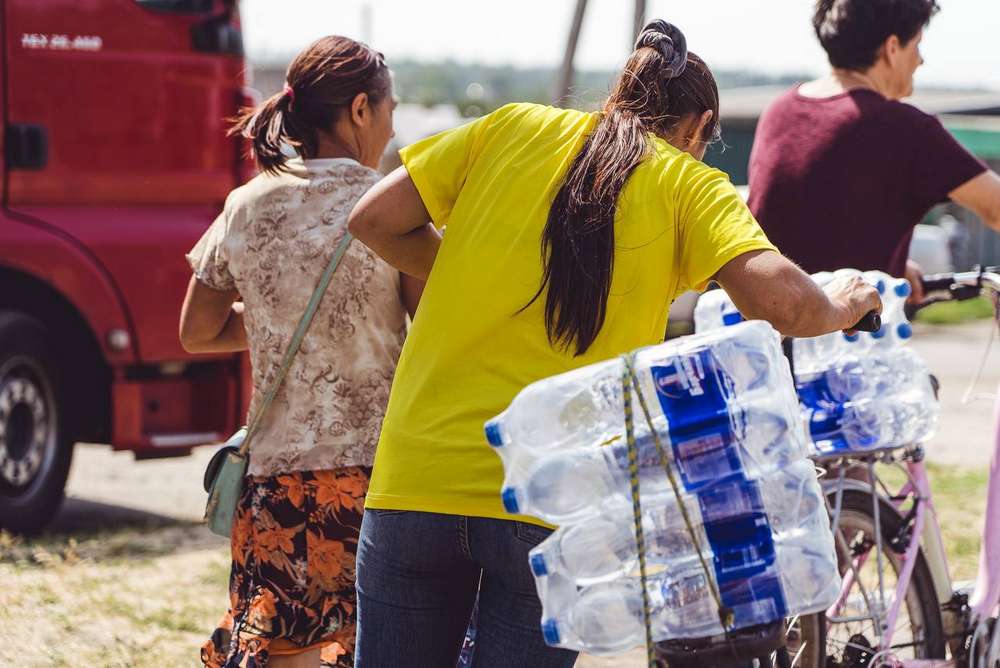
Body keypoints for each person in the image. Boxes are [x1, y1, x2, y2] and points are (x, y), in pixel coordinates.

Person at [347, 20, 880, 667]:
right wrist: (848, 302)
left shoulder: (509, 127)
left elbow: (373, 219)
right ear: (697, 126)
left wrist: (471, 271)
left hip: (415, 480)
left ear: (617, 96)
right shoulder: (688, 183)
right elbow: (785, 304)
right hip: (547, 505)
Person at [178, 35, 421, 668]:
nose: (392, 124)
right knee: (370, 646)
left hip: (273, 482)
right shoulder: (388, 210)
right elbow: (431, 322)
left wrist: (271, 323)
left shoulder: (246, 205)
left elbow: (197, 331)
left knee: (280, 648)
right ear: (363, 110)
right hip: (374, 478)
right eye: (390, 109)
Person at [748, 0, 1000, 301]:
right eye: (917, 45)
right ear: (892, 48)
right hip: (840, 337)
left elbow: (812, 221)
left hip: (764, 325)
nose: (920, 60)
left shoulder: (780, 112)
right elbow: (995, 208)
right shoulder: (905, 127)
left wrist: (892, 265)